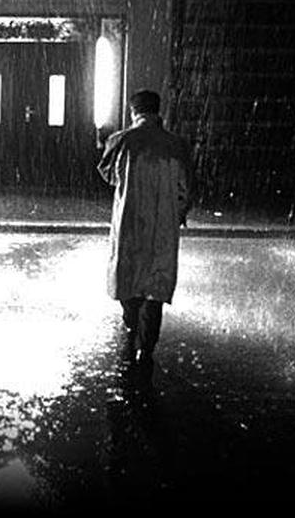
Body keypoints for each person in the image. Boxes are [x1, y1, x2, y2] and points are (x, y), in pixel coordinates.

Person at [97, 89, 193, 380]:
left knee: (128, 274)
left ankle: (131, 324)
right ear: (157, 111)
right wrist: (179, 212)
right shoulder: (177, 145)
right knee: (156, 282)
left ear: (133, 112)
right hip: (162, 223)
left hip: (130, 219)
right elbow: (185, 188)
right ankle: (146, 347)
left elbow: (109, 175)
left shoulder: (121, 141)